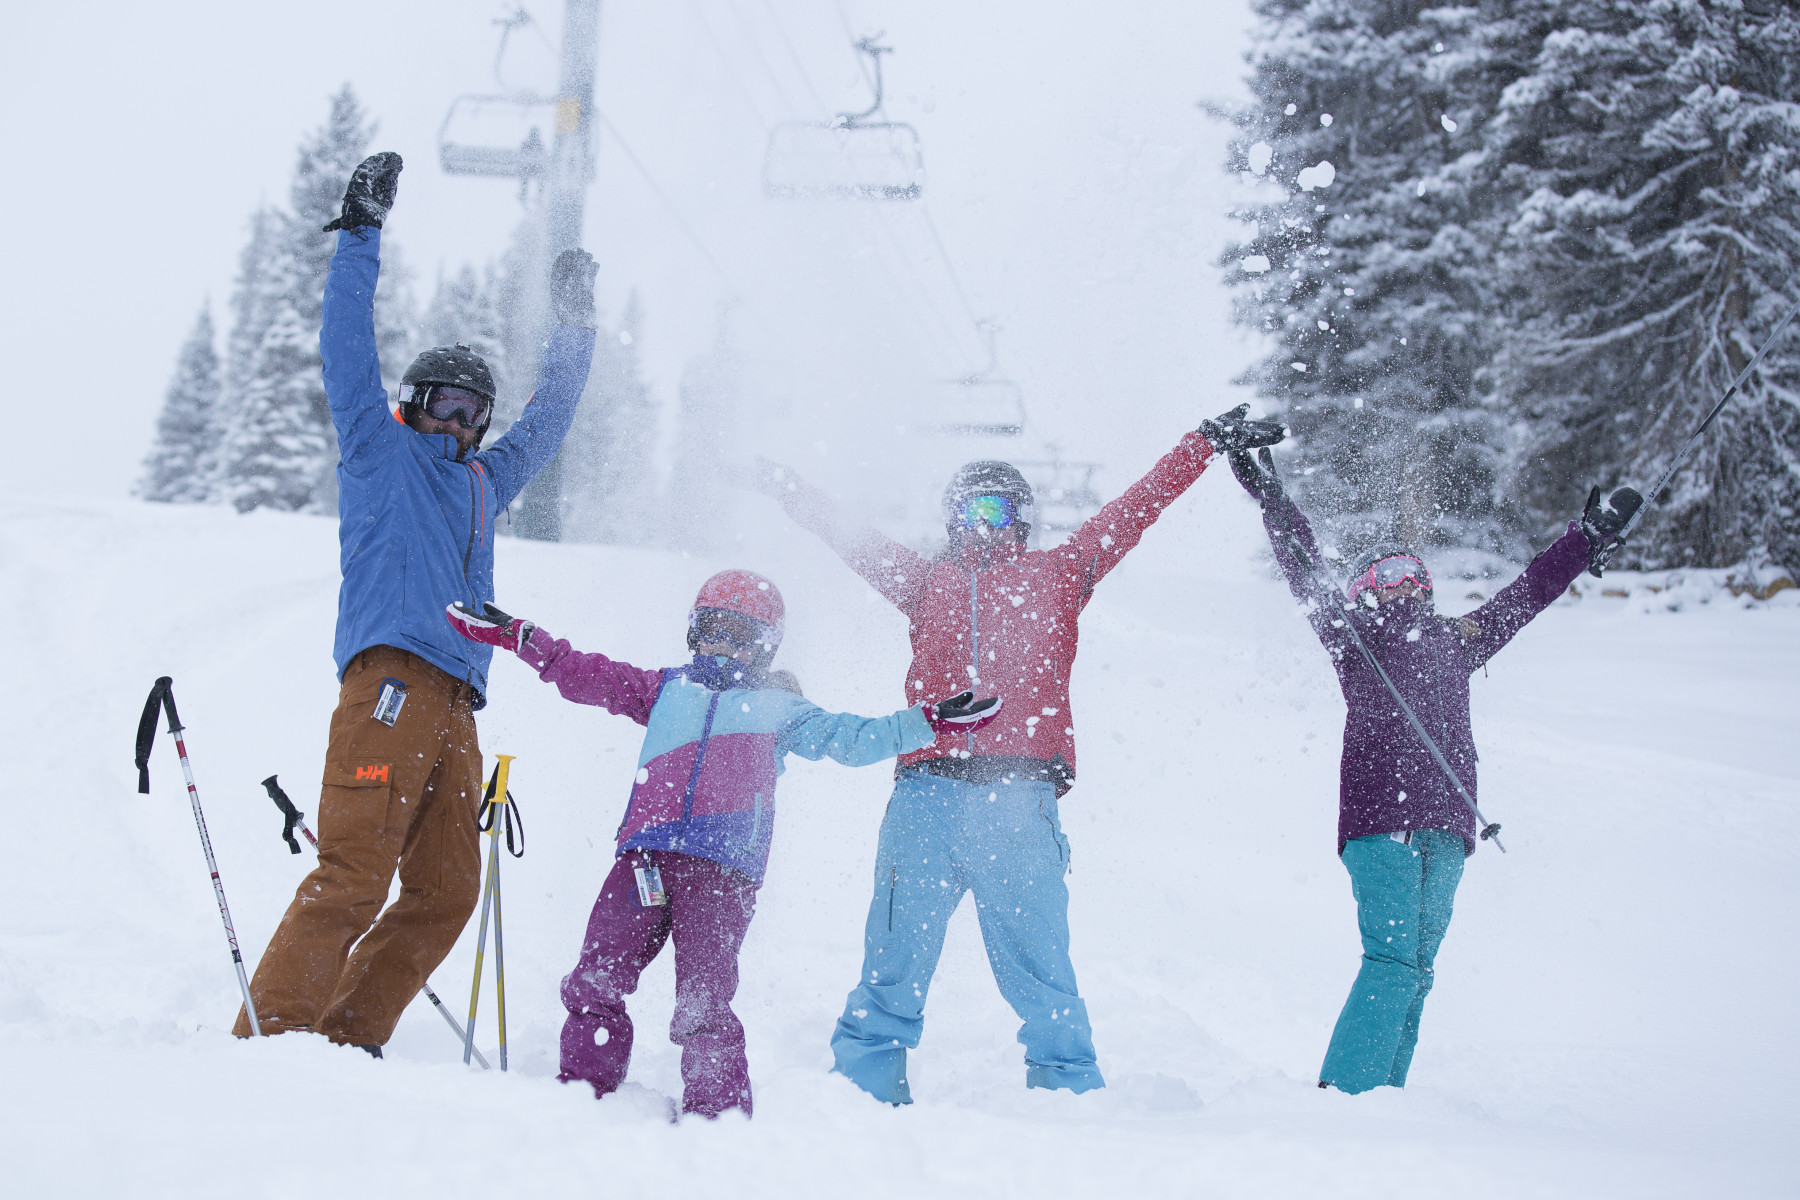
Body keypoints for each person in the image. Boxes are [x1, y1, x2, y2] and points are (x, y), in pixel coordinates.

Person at [741, 405, 1288, 1104]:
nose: (983, 524)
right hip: (926, 800)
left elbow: (1132, 511)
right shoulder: (926, 585)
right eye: (968, 511)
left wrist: (1201, 445)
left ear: (1024, 518)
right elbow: (853, 539)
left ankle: (1068, 1097)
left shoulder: (1060, 576)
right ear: (948, 521)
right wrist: (787, 486)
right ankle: (863, 1096)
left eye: (998, 509)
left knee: (1042, 972)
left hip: (1018, 805)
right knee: (892, 961)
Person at [232, 152, 599, 1052]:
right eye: (442, 402)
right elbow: (345, 345)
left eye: (474, 411)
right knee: (355, 870)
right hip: (390, 679)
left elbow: (548, 418)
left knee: (446, 892)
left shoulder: (484, 481)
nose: (459, 422)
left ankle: (346, 1040)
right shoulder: (378, 451)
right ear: (411, 402)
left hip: (457, 704)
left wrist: (575, 327)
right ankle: (272, 1034)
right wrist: (361, 231)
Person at [445, 570, 1001, 1118]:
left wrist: (929, 721)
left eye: (740, 635)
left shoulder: (780, 709)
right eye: (712, 629)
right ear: (693, 632)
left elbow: (853, 738)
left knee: (705, 1000)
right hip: (646, 857)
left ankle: (717, 1114)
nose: (722, 645)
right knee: (597, 975)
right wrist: (522, 637)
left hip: (723, 871)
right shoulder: (665, 689)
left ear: (764, 646)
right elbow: (585, 674)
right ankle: (584, 1089)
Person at [1228, 447, 1641, 1094]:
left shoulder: (1459, 638)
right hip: (1381, 826)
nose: (1408, 579)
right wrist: (1274, 500)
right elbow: (1305, 569)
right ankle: (1343, 1097)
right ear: (1366, 590)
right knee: (1392, 964)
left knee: (1417, 971)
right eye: (1389, 570)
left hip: (1447, 831)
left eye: (1415, 568)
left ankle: (1384, 1101)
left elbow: (1526, 594)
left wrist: (1583, 543)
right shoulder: (1355, 642)